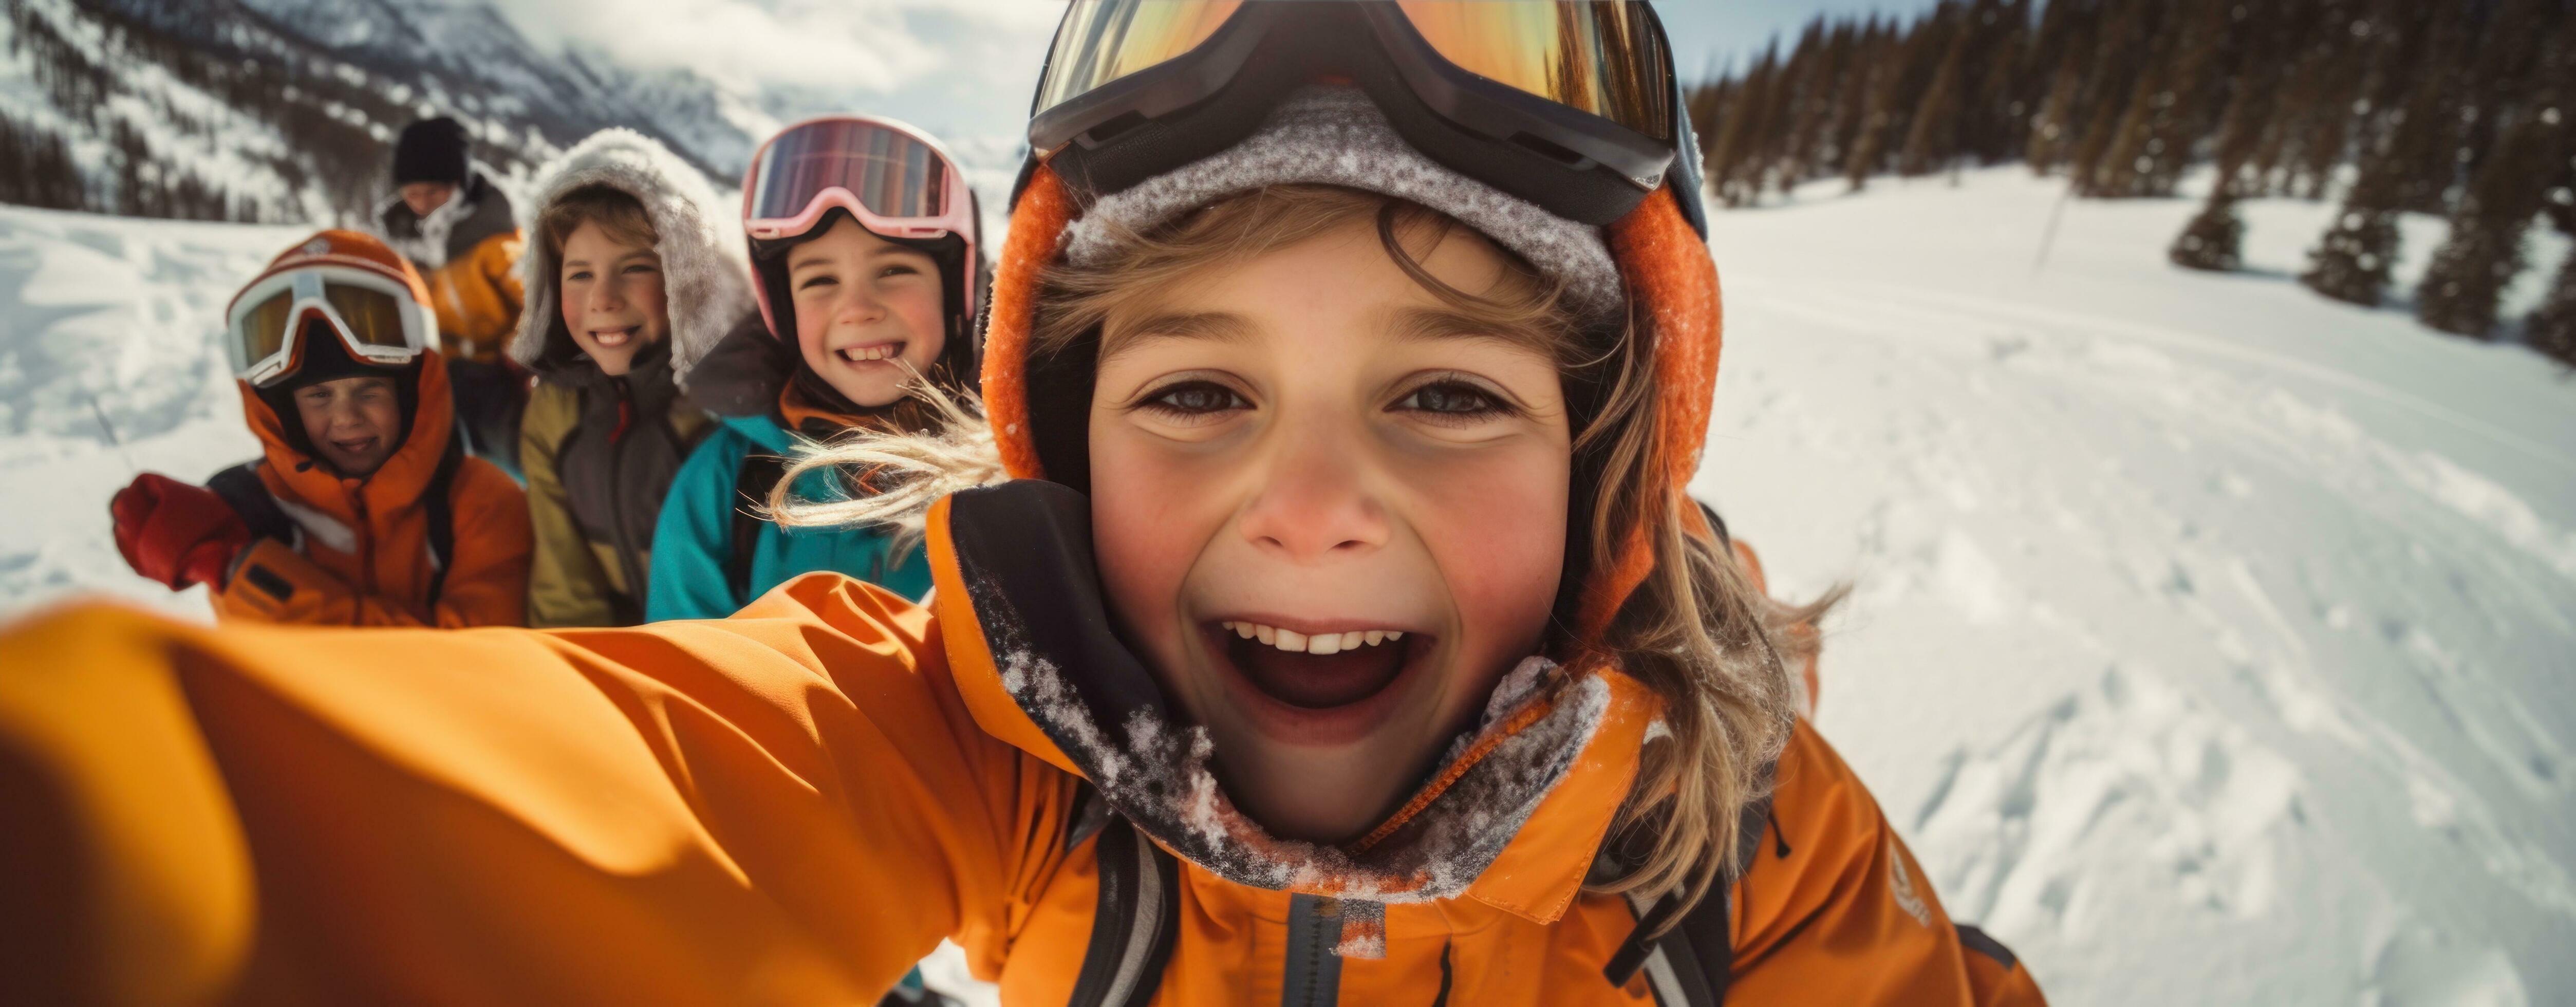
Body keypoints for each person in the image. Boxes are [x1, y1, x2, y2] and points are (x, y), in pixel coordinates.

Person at [2, 5, 2044, 1004]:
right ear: (1056, 455)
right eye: (1196, 393)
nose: (1309, 506)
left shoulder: (1736, 850)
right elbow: (632, 782)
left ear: (1608, 470)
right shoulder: (999, 748)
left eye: (1442, 393)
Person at [643, 115, 983, 621]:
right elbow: (680, 661)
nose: (857, 309)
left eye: (894, 270)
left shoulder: (1012, 472)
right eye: (820, 281)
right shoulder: (727, 482)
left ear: (955, 294)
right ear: (783, 312)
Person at [104, 229, 532, 627]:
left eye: (369, 391)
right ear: (282, 409)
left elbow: (472, 663)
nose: (346, 418)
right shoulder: (250, 508)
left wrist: (243, 574)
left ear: (414, 392)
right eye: (319, 396)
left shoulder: (482, 504)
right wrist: (176, 540)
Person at [512, 129, 747, 627]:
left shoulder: (724, 419)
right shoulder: (554, 415)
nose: (604, 299)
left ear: (689, 278)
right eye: (580, 274)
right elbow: (563, 588)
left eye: (635, 268)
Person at [379, 115, 530, 476]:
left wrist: (521, 346)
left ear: (458, 185)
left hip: (494, 370)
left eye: (434, 193)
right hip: (436, 370)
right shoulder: (403, 238)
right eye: (412, 194)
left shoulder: (493, 239)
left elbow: (533, 299)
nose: (422, 203)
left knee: (517, 449)